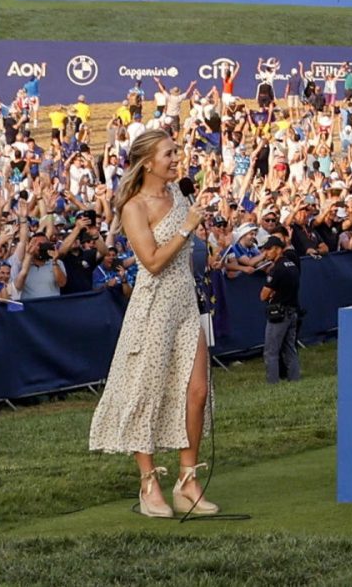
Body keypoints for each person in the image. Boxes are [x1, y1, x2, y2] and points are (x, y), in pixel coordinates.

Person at [87, 127, 219, 518]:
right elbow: (153, 261)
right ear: (147, 162)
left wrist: (193, 228)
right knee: (146, 391)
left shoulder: (179, 193)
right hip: (153, 305)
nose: (177, 158)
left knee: (196, 391)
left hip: (184, 303)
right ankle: (149, 484)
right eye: (169, 153)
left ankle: (188, 480)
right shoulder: (134, 206)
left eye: (176, 151)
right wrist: (186, 227)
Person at [257, 229, 303, 381]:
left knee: (271, 351)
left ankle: (272, 382)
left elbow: (263, 295)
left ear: (278, 249)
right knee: (290, 349)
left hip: (279, 314)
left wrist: (271, 293)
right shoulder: (292, 265)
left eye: (269, 250)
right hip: (293, 311)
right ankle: (295, 379)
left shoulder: (276, 269)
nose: (266, 253)